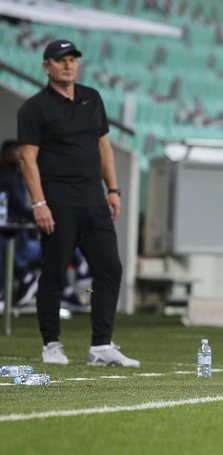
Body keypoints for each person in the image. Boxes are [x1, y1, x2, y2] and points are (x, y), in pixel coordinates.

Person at [16, 39, 139, 367]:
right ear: (46, 67)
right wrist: (38, 202)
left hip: (94, 202)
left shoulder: (91, 98)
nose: (68, 65)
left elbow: (104, 147)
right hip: (58, 204)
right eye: (60, 60)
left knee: (109, 269)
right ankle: (51, 345)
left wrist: (113, 189)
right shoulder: (34, 107)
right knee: (54, 273)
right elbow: (27, 158)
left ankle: (101, 346)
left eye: (72, 59)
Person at [0, 140, 40, 306]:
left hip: (21, 239)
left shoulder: (17, 178)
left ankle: (24, 279)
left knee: (6, 244)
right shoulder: (8, 179)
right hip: (13, 235)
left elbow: (20, 209)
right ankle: (25, 278)